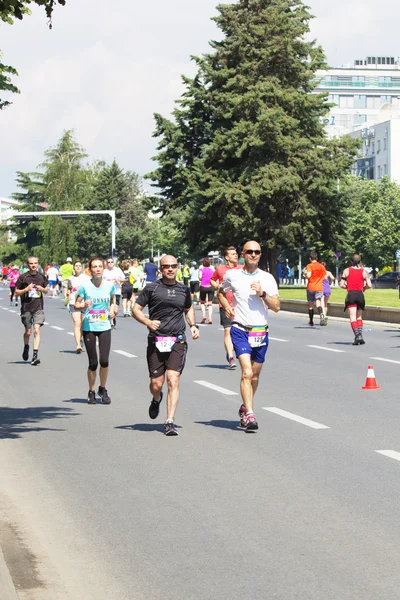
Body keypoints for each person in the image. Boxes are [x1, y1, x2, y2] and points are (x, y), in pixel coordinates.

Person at [132, 255, 199, 436]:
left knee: (173, 379)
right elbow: (135, 309)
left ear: (177, 267)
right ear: (160, 269)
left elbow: (188, 308)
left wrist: (193, 325)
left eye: (173, 266)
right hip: (156, 340)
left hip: (177, 339)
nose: (170, 269)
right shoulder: (152, 288)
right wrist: (147, 321)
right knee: (156, 384)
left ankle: (169, 421)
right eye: (166, 266)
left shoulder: (184, 289)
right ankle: (156, 399)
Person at [218, 241, 280, 432]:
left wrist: (262, 294)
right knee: (246, 372)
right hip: (240, 329)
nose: (253, 255)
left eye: (257, 252)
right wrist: (228, 307)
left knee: (255, 376)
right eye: (250, 252)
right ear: (243, 254)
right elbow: (221, 292)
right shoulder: (233, 275)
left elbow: (276, 306)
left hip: (260, 331)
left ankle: (245, 406)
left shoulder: (267, 278)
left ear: (260, 255)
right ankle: (251, 414)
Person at [75, 257, 117, 404]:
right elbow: (76, 304)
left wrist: (113, 310)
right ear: (90, 269)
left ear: (103, 268)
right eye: (95, 267)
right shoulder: (85, 287)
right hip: (89, 327)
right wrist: (83, 305)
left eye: (100, 266)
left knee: (104, 360)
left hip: (105, 326)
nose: (98, 269)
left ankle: (102, 388)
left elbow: (113, 302)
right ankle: (91, 390)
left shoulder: (109, 286)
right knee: (93, 363)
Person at [210, 246, 241, 369]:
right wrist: (217, 286)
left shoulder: (241, 268)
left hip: (240, 305)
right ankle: (230, 356)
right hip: (225, 304)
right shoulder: (220, 269)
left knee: (240, 331)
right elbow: (212, 280)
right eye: (233, 254)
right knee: (227, 330)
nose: (236, 255)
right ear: (227, 257)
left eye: (236, 254)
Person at [15, 256, 48, 366]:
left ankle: (35, 355)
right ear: (28, 265)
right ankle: (26, 346)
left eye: (35, 263)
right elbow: (16, 292)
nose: (33, 265)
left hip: (38, 307)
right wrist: (26, 289)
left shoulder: (42, 277)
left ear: (38, 264)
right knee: (28, 332)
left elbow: (47, 290)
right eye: (31, 263)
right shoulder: (23, 277)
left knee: (37, 329)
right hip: (26, 307)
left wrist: (42, 289)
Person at [340, 253, 372, 345]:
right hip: (360, 294)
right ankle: (360, 336)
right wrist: (364, 288)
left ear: (351, 261)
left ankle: (357, 336)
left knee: (352, 317)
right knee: (359, 317)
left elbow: (341, 284)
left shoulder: (346, 271)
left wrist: (347, 287)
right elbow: (369, 285)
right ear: (360, 261)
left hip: (351, 294)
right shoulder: (364, 272)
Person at [66, 260, 90, 353]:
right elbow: (69, 290)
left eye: (80, 266)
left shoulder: (87, 278)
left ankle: (81, 338)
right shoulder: (70, 278)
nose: (78, 267)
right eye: (76, 266)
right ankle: (78, 345)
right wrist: (68, 300)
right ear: (73, 267)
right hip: (73, 303)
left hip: (84, 303)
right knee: (77, 323)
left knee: (83, 324)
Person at [102, 257, 125, 328]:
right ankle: (111, 321)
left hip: (116, 291)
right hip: (107, 292)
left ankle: (112, 317)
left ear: (114, 263)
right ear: (106, 263)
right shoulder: (104, 271)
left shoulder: (117, 270)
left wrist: (119, 279)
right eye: (108, 262)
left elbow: (124, 279)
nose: (110, 263)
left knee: (115, 310)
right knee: (109, 307)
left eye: (111, 262)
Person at [306, 252, 327, 326]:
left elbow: (308, 275)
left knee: (311, 305)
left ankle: (311, 321)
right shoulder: (322, 266)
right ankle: (321, 315)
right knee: (318, 302)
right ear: (317, 258)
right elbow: (325, 277)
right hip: (319, 287)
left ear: (310, 259)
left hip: (311, 287)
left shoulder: (309, 265)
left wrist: (305, 275)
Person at [198, 257, 215, 324]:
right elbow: (214, 278)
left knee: (202, 302)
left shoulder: (201, 269)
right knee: (210, 303)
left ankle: (203, 315)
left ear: (203, 263)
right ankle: (210, 317)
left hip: (203, 287)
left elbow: (200, 278)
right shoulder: (212, 270)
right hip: (211, 287)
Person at [320, 261, 335, 325]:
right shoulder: (328, 272)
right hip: (327, 288)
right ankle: (325, 316)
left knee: (321, 304)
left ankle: (323, 317)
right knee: (325, 304)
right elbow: (332, 278)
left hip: (321, 289)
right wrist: (330, 282)